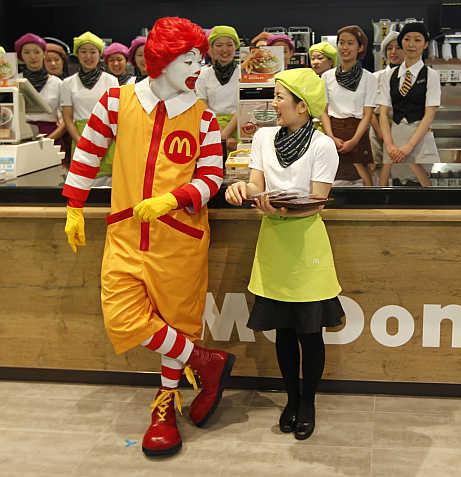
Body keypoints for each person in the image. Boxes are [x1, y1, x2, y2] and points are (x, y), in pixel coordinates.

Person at [62, 16, 235, 457]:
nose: (197, 67)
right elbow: (88, 151)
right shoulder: (116, 101)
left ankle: (163, 407)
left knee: (175, 322)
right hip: (125, 232)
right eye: (189, 59)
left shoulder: (204, 117)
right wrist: (74, 205)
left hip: (180, 239)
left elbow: (212, 177)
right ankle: (205, 362)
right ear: (164, 58)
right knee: (121, 316)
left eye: (199, 59)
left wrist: (173, 199)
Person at [225, 68, 344, 441]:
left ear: (302, 107)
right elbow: (256, 184)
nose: (273, 104)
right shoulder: (262, 138)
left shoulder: (323, 146)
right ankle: (291, 399)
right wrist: (241, 189)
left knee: (310, 334)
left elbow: (317, 201)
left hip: (306, 245)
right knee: (283, 333)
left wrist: (276, 209)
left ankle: (308, 402)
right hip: (273, 243)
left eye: (279, 97)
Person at [378, 22, 439, 187]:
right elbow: (383, 113)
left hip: (419, 137)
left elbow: (429, 114)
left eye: (417, 40)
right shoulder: (389, 75)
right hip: (394, 137)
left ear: (425, 44)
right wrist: (389, 144)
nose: (411, 44)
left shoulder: (431, 75)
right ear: (401, 43)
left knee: (422, 188)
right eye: (407, 39)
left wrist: (409, 147)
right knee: (393, 187)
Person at [320, 25, 375, 186]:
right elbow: (323, 111)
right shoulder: (326, 76)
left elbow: (368, 115)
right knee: (332, 180)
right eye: (341, 42)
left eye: (350, 43)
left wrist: (354, 140)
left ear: (361, 47)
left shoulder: (369, 78)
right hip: (333, 131)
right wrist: (330, 137)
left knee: (363, 182)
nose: (345, 47)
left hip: (358, 132)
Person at [61, 31, 118, 177]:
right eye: (83, 52)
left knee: (108, 180)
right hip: (80, 136)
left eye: (93, 52)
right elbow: (67, 118)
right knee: (83, 180)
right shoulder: (67, 83)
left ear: (99, 55)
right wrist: (81, 142)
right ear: (77, 55)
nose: (88, 56)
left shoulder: (111, 80)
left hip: (107, 136)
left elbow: (115, 114)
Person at [14, 33, 65, 147]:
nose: (32, 57)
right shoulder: (14, 82)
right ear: (20, 56)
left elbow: (66, 120)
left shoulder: (57, 83)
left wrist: (49, 140)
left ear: (44, 54)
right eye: (26, 52)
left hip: (51, 136)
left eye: (37, 52)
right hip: (20, 136)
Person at [195, 25, 240, 155]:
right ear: (211, 49)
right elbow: (202, 105)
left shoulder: (244, 73)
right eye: (219, 45)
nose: (224, 50)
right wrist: (217, 133)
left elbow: (245, 104)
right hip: (211, 128)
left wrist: (225, 134)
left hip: (239, 127)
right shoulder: (203, 74)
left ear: (236, 47)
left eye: (229, 45)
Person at [370, 31, 405, 181]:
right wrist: (380, 133)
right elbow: (369, 110)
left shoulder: (412, 76)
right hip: (378, 129)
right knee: (379, 169)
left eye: (398, 48)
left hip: (402, 128)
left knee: (402, 169)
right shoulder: (376, 77)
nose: (393, 52)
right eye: (390, 48)